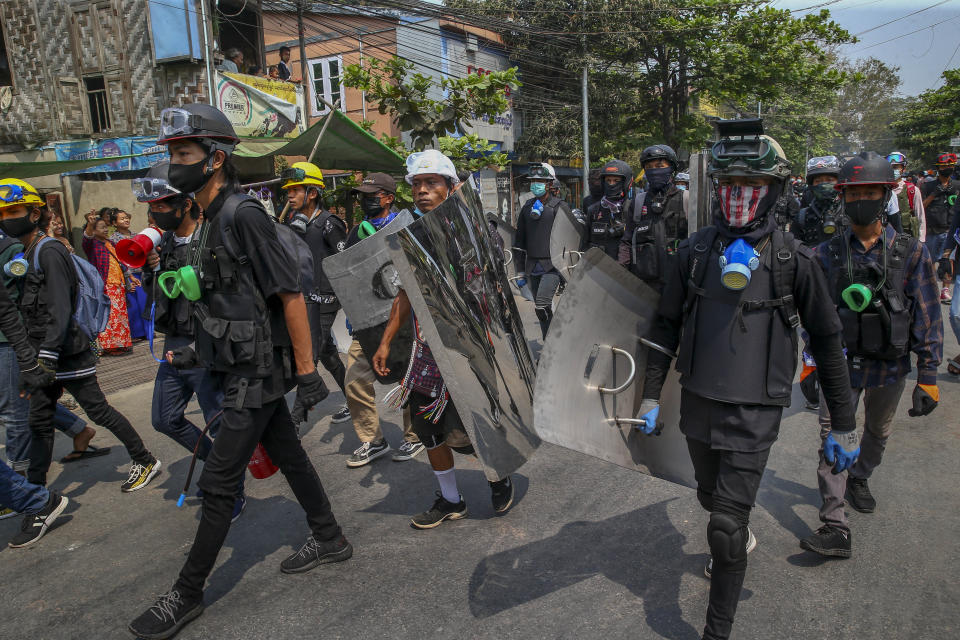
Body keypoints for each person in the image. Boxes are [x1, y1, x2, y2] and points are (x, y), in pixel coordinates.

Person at [129, 103, 351, 640]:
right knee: (290, 456)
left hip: (257, 369)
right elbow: (231, 295)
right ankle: (329, 537)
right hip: (234, 364)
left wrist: (306, 371)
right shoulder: (206, 219)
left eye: (184, 153)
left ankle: (187, 592)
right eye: (172, 154)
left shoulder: (242, 214)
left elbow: (290, 293)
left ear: (216, 158)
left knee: (220, 479)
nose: (175, 163)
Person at [636, 121, 857, 640]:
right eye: (729, 185)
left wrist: (842, 423)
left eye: (751, 187)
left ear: (774, 192)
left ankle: (717, 630)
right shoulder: (693, 253)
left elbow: (827, 342)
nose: (738, 198)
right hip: (698, 405)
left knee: (726, 528)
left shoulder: (794, 260)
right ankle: (732, 526)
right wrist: (649, 393)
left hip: (755, 412)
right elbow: (664, 325)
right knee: (709, 499)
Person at [800, 152, 942, 557]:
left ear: (886, 196)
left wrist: (928, 377)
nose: (861, 199)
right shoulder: (825, 255)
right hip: (838, 365)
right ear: (843, 198)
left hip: (890, 367)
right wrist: (809, 365)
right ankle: (834, 523)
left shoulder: (912, 253)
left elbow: (928, 316)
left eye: (870, 192)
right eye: (854, 192)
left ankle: (860, 476)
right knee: (832, 436)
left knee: (877, 433)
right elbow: (813, 316)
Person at [373, 149, 514, 529]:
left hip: (472, 344)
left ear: (451, 188)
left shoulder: (477, 230)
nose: (422, 190)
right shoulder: (410, 237)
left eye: (431, 182)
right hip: (427, 347)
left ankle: (498, 476)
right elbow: (405, 294)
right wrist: (386, 341)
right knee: (427, 427)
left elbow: (494, 287)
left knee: (474, 424)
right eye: (417, 184)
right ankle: (451, 499)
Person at [0, 178, 161, 498]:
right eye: (2, 214)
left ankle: (144, 460)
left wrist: (44, 358)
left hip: (65, 351)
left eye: (13, 211)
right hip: (45, 353)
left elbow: (60, 309)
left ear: (35, 213)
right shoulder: (29, 251)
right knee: (40, 422)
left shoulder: (49, 251)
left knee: (98, 410)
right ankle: (36, 492)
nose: (6, 219)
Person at [132, 162, 245, 520]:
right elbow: (159, 301)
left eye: (163, 205)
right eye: (153, 207)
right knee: (164, 419)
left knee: (216, 417)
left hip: (204, 345)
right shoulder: (162, 244)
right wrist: (151, 270)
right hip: (173, 344)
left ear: (186, 204)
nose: (155, 213)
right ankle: (216, 466)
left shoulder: (211, 237)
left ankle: (230, 491)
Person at [342, 172, 423, 467]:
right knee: (354, 379)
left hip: (405, 319)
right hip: (368, 321)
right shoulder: (356, 233)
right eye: (363, 195)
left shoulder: (408, 227)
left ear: (389, 197)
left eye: (372, 195)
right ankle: (372, 440)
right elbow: (348, 276)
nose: (366, 200)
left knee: (408, 378)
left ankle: (414, 436)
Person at [0, 239, 70, 547]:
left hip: (11, 346)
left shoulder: (31, 249)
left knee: (18, 416)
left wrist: (31, 362)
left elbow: (8, 309)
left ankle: (33, 498)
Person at [280, 162, 351, 426]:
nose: (290, 195)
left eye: (296, 190)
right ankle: (353, 398)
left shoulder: (329, 224)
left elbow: (344, 261)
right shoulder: (292, 222)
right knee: (329, 355)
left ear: (312, 193)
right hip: (303, 299)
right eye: (289, 190)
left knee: (311, 354)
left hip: (326, 300)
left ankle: (295, 420)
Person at [513, 162, 572, 338]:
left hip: (553, 265)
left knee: (542, 304)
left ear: (549, 184)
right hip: (532, 266)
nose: (536, 184)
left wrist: (567, 268)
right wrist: (520, 271)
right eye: (533, 180)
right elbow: (519, 241)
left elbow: (569, 238)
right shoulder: (527, 207)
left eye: (540, 180)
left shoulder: (560, 207)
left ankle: (552, 344)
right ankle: (552, 343)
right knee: (541, 309)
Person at [618, 147, 688, 291]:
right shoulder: (638, 202)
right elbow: (627, 241)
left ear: (672, 168)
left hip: (679, 288)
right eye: (649, 167)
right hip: (645, 288)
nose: (654, 171)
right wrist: (621, 273)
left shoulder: (686, 199)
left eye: (660, 166)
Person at [82, 213, 136, 354]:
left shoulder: (110, 243)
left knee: (120, 315)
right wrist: (90, 224)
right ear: (93, 230)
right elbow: (86, 238)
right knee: (110, 316)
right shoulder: (92, 244)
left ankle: (121, 343)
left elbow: (120, 263)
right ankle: (110, 346)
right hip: (105, 284)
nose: (105, 230)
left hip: (118, 283)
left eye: (106, 227)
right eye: (101, 228)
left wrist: (130, 277)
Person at [921, 152, 959, 303]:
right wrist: (934, 194)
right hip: (931, 231)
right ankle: (929, 289)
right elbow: (921, 206)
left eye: (950, 166)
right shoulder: (928, 186)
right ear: (938, 168)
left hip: (950, 230)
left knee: (948, 261)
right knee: (929, 263)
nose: (947, 168)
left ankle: (945, 290)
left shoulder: (957, 186)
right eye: (944, 166)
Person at [109, 209, 149, 340]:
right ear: (114, 223)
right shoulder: (113, 240)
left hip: (140, 273)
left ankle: (149, 332)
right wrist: (127, 278)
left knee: (144, 303)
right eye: (121, 219)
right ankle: (137, 334)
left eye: (126, 218)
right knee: (133, 306)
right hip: (127, 275)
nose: (125, 220)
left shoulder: (136, 236)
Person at [583, 159, 633, 262]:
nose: (611, 184)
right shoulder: (593, 210)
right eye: (608, 180)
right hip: (601, 268)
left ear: (626, 182)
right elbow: (586, 243)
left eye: (616, 181)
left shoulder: (634, 207)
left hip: (627, 271)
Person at [886, 151, 926, 241]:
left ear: (903, 169)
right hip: (887, 240)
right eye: (890, 167)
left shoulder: (912, 190)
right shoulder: (882, 190)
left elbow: (920, 217)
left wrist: (921, 241)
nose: (893, 170)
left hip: (908, 239)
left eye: (895, 167)